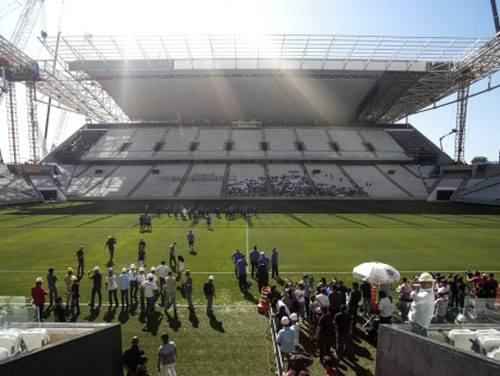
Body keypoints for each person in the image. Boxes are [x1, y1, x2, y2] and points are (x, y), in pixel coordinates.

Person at [409, 272, 435, 336]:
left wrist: (412, 290)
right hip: (419, 322)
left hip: (419, 323)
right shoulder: (426, 291)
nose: (421, 284)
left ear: (430, 283)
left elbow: (417, 300)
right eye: (421, 283)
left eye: (424, 283)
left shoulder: (427, 294)